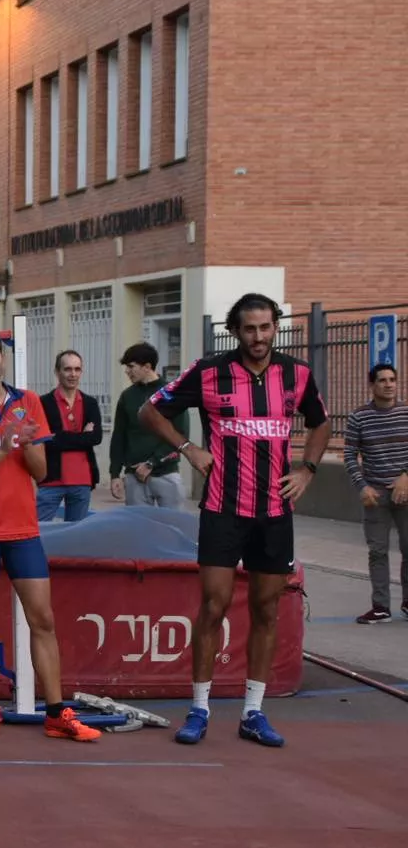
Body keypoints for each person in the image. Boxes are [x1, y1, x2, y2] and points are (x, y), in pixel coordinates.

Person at [140, 292, 329, 748]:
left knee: (266, 610)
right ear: (236, 330)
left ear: (276, 326)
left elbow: (320, 422)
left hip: (275, 511)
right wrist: (188, 448)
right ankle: (199, 709)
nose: (258, 337)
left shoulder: (297, 374)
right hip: (223, 507)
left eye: (266, 328)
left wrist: (308, 469)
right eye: (249, 329)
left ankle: (253, 713)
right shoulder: (209, 372)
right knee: (213, 605)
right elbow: (150, 410)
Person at [0, 330, 101, 743]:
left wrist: (24, 445)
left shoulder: (28, 403)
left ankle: (57, 711)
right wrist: (1, 448)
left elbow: (42, 473)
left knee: (42, 619)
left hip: (23, 529)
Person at [345, 363, 408, 624]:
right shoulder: (359, 417)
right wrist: (363, 486)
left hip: (405, 493)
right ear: (372, 385)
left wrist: (406, 476)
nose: (389, 384)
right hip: (376, 495)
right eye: (382, 380)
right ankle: (381, 606)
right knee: (378, 552)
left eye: (392, 379)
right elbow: (349, 454)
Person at [109, 343, 188, 509]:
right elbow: (119, 436)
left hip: (166, 474)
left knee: (172, 529)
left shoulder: (172, 394)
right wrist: (115, 473)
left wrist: (151, 463)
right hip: (134, 477)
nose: (127, 371)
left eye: (131, 366)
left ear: (147, 366)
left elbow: (180, 437)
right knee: (139, 531)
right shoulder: (127, 396)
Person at [35, 350, 102, 523]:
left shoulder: (90, 403)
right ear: (57, 372)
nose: (73, 374)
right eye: (67, 369)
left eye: (77, 369)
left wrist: (60, 437)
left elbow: (95, 438)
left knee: (76, 536)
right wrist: (81, 436)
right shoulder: (43, 403)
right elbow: (47, 440)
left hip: (82, 480)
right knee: (39, 532)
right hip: (51, 480)